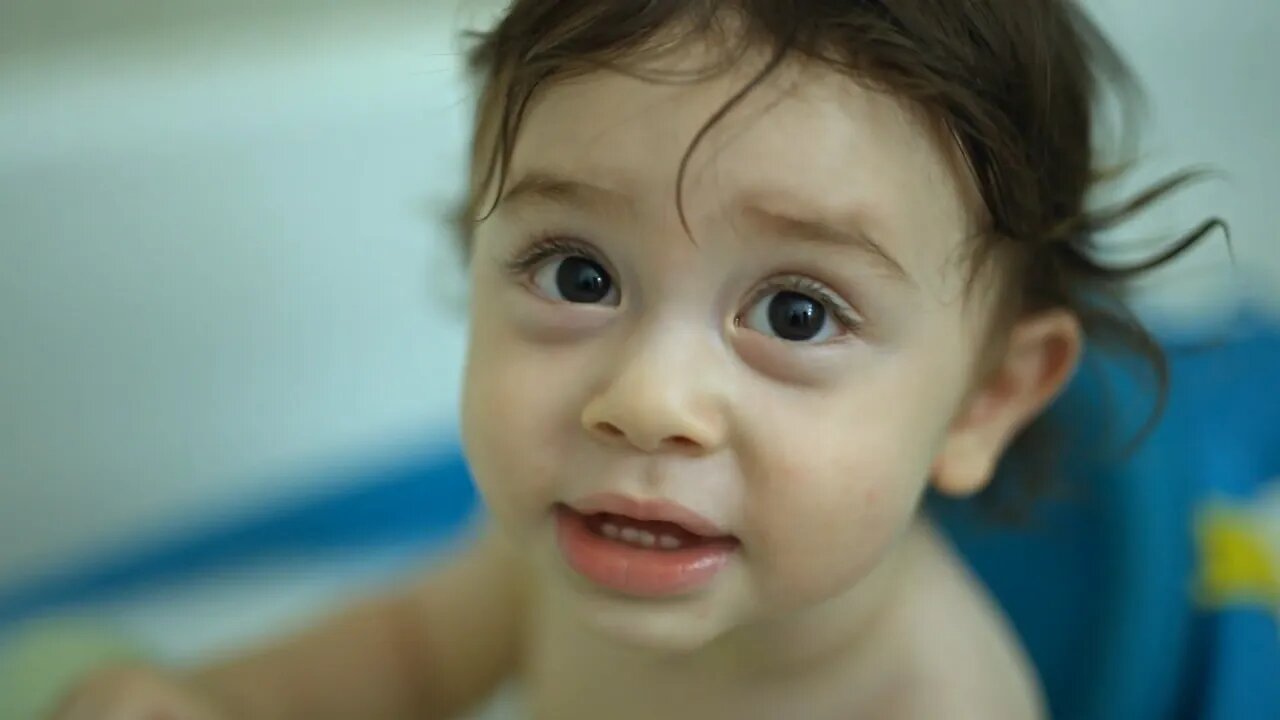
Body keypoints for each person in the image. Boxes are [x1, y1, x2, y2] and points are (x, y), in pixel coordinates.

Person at [49, 1, 1219, 718]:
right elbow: (404, 653)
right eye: (578, 275)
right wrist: (211, 700)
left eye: (798, 315)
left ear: (985, 399)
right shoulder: (557, 550)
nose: (647, 404)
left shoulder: (928, 701)